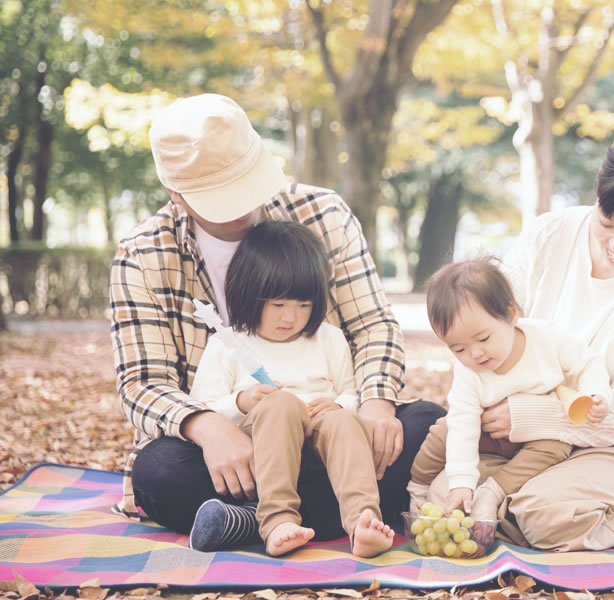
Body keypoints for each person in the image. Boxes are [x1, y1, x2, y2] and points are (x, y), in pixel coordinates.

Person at [109, 93, 444, 551]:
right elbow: (142, 384)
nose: (245, 207)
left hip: (334, 441)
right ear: (176, 195)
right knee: (159, 473)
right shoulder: (144, 255)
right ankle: (322, 514)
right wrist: (209, 428)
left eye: (248, 185)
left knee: (426, 425)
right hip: (230, 453)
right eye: (224, 198)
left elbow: (372, 327)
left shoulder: (322, 214)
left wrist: (374, 405)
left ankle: (249, 522)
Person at [424, 127, 614, 551]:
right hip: (528, 443)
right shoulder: (549, 234)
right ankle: (521, 515)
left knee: (542, 511)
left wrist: (533, 415)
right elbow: (482, 330)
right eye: (607, 223)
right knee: (444, 493)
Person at [187, 220, 393, 557]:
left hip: (319, 445)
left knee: (344, 422)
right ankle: (278, 519)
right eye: (278, 305)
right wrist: (241, 402)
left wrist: (339, 406)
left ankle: (362, 522)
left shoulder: (328, 338)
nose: (291, 317)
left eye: (303, 305)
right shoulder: (228, 345)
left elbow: (351, 392)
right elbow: (202, 407)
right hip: (263, 452)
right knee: (280, 404)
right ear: (248, 294)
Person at [407, 257, 611, 522]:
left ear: (512, 315)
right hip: (489, 435)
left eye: (483, 338)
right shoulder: (469, 372)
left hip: (535, 437)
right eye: (458, 349)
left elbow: (588, 363)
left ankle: (495, 490)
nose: (476, 353)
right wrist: (461, 483)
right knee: (445, 429)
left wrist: (596, 394)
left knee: (556, 445)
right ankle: (416, 488)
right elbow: (464, 427)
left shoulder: (547, 339)